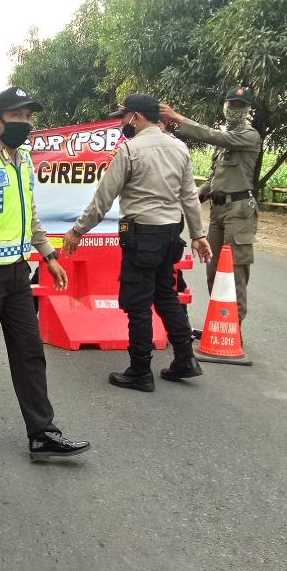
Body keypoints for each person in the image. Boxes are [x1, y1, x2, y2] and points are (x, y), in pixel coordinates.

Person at [0, 86, 91, 461]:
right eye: (16, 116)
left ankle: (43, 432)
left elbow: (30, 216)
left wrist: (48, 256)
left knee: (30, 352)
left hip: (16, 273)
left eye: (28, 116)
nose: (24, 123)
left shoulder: (25, 160)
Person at [63, 94, 212, 392]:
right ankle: (185, 358)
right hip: (171, 234)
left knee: (138, 303)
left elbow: (103, 200)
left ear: (137, 117)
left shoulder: (129, 150)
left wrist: (78, 231)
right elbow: (189, 198)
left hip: (142, 235)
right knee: (165, 295)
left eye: (124, 117)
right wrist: (198, 235)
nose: (122, 123)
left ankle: (140, 370)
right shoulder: (179, 148)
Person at [160, 88, 261, 328]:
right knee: (213, 269)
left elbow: (213, 136)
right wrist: (199, 193)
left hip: (239, 211)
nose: (234, 109)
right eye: (231, 104)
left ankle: (232, 327)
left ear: (248, 110)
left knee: (235, 270)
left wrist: (179, 119)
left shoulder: (249, 136)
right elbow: (218, 175)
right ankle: (218, 320)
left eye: (240, 105)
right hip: (218, 211)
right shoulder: (226, 138)